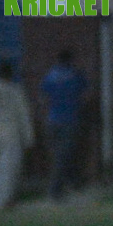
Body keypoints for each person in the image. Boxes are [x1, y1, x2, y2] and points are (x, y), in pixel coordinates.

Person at [40, 50, 87, 201]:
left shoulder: (50, 76)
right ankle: (55, 190)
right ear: (70, 60)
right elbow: (84, 92)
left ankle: (73, 181)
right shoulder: (76, 75)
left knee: (61, 155)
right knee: (64, 156)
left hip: (52, 120)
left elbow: (43, 97)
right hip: (70, 120)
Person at [0, 61, 34, 208]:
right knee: (9, 167)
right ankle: (4, 199)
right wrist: (28, 137)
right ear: (10, 75)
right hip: (12, 133)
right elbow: (24, 115)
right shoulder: (16, 91)